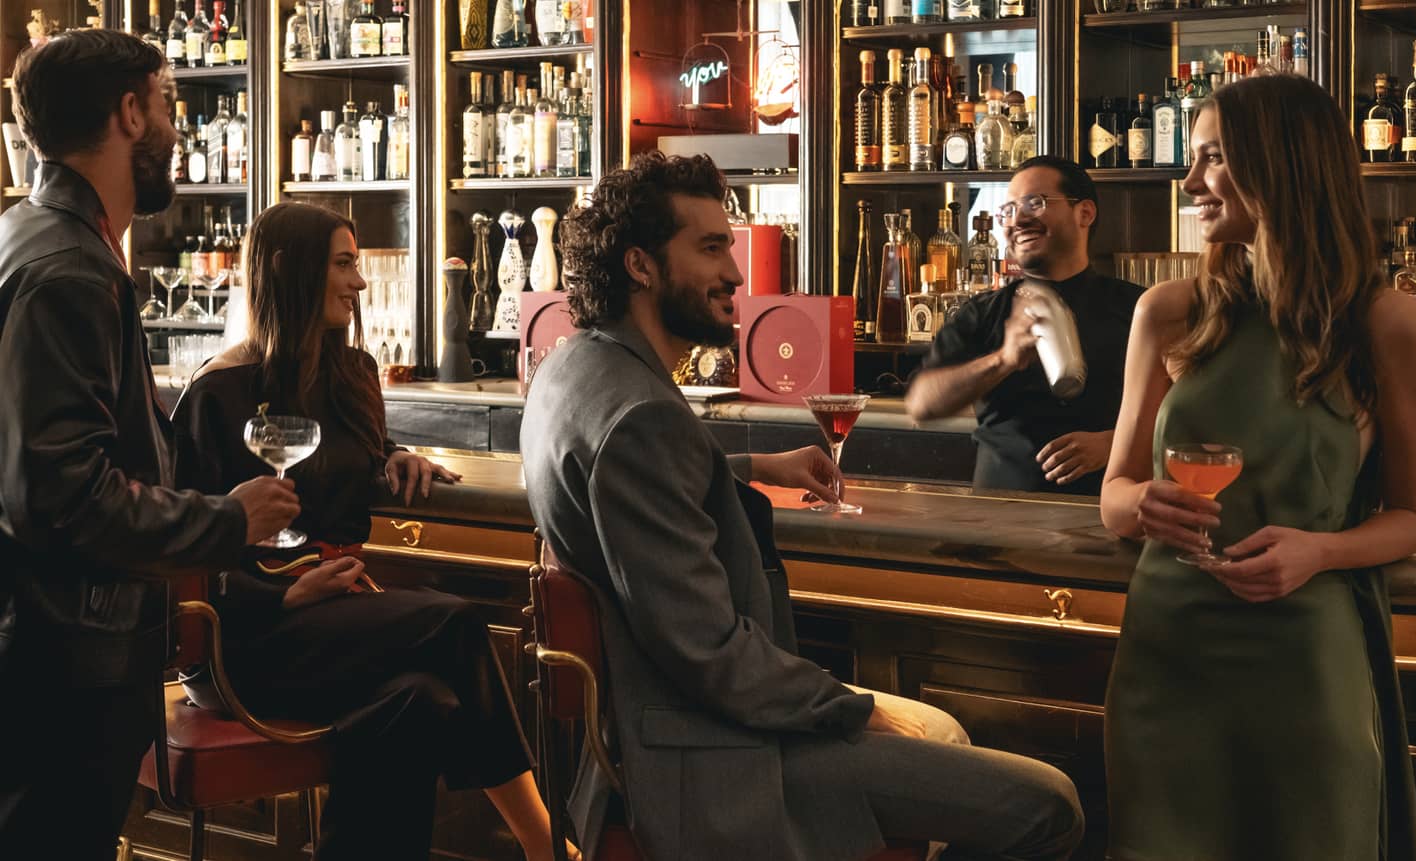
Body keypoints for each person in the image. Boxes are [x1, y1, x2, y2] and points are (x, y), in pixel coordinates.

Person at [520, 151, 1084, 861]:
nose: (736, 274)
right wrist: (852, 710)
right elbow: (710, 654)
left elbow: (622, 490)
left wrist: (753, 467)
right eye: (711, 248)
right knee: (1049, 804)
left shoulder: (573, 367)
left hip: (651, 730)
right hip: (712, 757)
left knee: (948, 739)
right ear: (641, 266)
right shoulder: (642, 416)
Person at [171, 201, 576, 861]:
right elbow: (181, 553)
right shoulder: (216, 393)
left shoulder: (353, 374)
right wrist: (282, 595)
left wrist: (394, 455)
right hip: (242, 640)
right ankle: (546, 844)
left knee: (419, 701)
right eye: (344, 264)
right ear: (289, 269)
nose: (360, 282)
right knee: (454, 623)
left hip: (337, 617)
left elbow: (355, 454)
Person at [1099, 74, 1416, 860]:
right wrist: (1140, 504)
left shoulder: (1389, 323)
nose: (1190, 182)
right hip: (1167, 652)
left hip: (1306, 653)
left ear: (1284, 166)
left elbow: (1411, 517)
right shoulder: (1167, 312)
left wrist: (1319, 550)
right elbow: (1113, 494)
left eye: (1213, 158)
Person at [0, 30, 299, 861]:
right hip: (67, 663)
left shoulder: (31, 233)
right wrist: (226, 521)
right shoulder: (70, 269)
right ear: (129, 113)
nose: (176, 126)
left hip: (44, 649)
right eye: (167, 104)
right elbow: (64, 494)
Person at [907, 156, 1144, 495]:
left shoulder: (1138, 309)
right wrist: (1002, 360)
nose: (1017, 220)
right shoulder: (982, 312)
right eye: (1008, 210)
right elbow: (922, 404)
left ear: (1085, 213)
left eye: (1035, 202)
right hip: (997, 515)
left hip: (1105, 512)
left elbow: (1185, 417)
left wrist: (1115, 443)